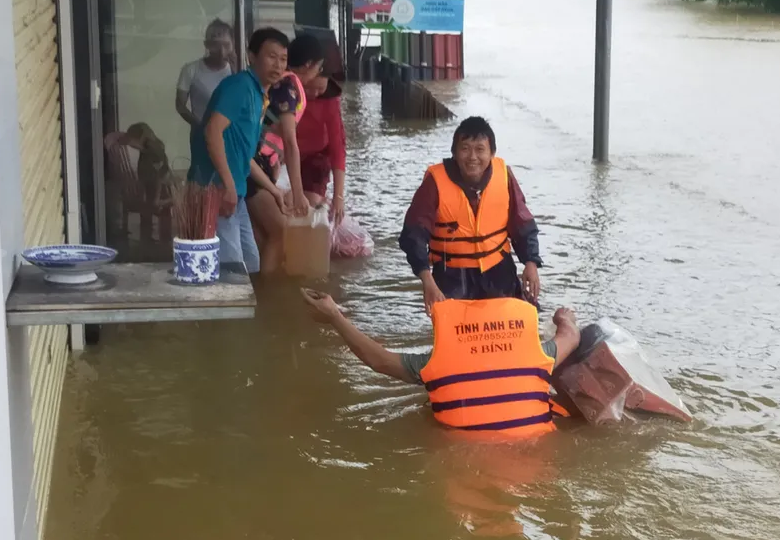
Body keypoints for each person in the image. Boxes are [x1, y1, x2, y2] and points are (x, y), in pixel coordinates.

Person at [301, 289, 581, 438]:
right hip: (535, 454)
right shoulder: (538, 352)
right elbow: (572, 336)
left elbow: (380, 360)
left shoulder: (436, 363)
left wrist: (336, 318)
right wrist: (564, 317)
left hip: (466, 456)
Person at [399, 116, 544, 316]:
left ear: (492, 153)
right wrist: (427, 279)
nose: (472, 157)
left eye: (480, 149)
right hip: (452, 278)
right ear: (454, 153)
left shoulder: (504, 176)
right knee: (456, 338)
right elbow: (413, 234)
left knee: (512, 328)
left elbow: (523, 225)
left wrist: (531, 262)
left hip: (499, 273)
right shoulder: (435, 183)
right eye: (465, 148)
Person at [187, 27, 290, 275]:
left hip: (234, 193)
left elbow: (244, 157)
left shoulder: (258, 95)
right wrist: (228, 185)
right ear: (251, 56)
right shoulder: (239, 86)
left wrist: (273, 189)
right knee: (232, 274)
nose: (278, 64)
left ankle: (257, 313)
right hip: (216, 190)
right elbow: (212, 131)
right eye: (271, 56)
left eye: (283, 59)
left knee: (251, 266)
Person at [245, 34, 326, 273]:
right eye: (319, 67)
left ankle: (264, 292)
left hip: (262, 166)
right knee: (279, 232)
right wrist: (299, 194)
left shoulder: (286, 85)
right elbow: (290, 142)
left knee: (264, 235)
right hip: (254, 166)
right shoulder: (289, 87)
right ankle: (267, 297)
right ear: (310, 65)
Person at [297, 73, 347, 224]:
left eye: (320, 88)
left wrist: (339, 196)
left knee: (312, 204)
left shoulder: (330, 100)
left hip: (317, 154)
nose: (314, 93)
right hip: (286, 151)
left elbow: (337, 148)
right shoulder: (289, 93)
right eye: (308, 88)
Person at [175, 19, 235, 130]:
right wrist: (200, 126)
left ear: (233, 44)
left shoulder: (237, 70)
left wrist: (237, 71)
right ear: (206, 45)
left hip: (232, 133)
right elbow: (180, 106)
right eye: (215, 45)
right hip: (202, 132)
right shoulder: (191, 70)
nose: (222, 51)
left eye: (226, 45)